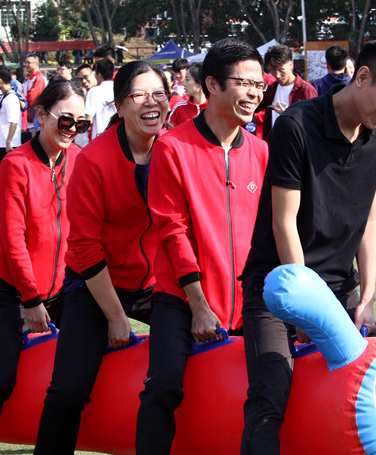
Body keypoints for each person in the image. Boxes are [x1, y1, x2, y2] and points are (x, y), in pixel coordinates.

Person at [238, 39, 376, 454]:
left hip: (340, 287)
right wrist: (304, 305)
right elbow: (283, 221)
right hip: (277, 287)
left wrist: (368, 298)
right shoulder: (297, 125)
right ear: (362, 77)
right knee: (270, 396)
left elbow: (371, 219)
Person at [135, 38, 269, 455]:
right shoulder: (173, 147)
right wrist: (198, 304)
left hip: (247, 298)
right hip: (181, 296)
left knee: (266, 390)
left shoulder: (262, 152)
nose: (254, 93)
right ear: (212, 84)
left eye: (259, 85)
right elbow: (171, 230)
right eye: (244, 83)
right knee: (163, 387)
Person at [34, 61, 168, 453]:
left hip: (156, 284)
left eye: (159, 94)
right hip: (94, 285)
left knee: (196, 356)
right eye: (139, 95)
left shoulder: (175, 151)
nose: (151, 103)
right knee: (68, 390)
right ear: (119, 105)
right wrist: (115, 316)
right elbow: (85, 247)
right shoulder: (94, 159)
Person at [0, 79, 87, 455]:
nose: (73, 130)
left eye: (81, 123)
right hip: (13, 291)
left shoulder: (80, 160)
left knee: (72, 384)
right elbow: (12, 240)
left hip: (66, 288)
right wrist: (30, 300)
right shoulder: (16, 164)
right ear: (41, 115)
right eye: (66, 120)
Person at [255, 44, 317, 141]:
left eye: (281, 70)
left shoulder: (306, 90)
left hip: (296, 143)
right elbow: (255, 106)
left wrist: (290, 114)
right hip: (273, 142)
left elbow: (314, 122)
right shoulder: (271, 88)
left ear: (291, 65)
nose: (277, 75)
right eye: (272, 71)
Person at [0, 65, 22, 175]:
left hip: (8, 144)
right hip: (2, 142)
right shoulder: (4, 97)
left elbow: (14, 122)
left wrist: (8, 142)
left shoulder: (11, 98)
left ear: (0, 80)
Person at [167, 64, 207, 128]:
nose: (184, 83)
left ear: (200, 82)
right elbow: (169, 131)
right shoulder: (179, 109)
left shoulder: (215, 108)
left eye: (187, 79)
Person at [85, 58, 116, 140]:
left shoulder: (94, 91)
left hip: (100, 137)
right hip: (117, 136)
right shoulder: (119, 89)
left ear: (99, 75)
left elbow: (89, 118)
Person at [22, 53, 48, 125]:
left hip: (34, 117)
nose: (26, 65)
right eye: (25, 62)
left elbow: (33, 99)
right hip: (29, 117)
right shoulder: (29, 79)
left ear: (36, 64)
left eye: (29, 63)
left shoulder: (39, 78)